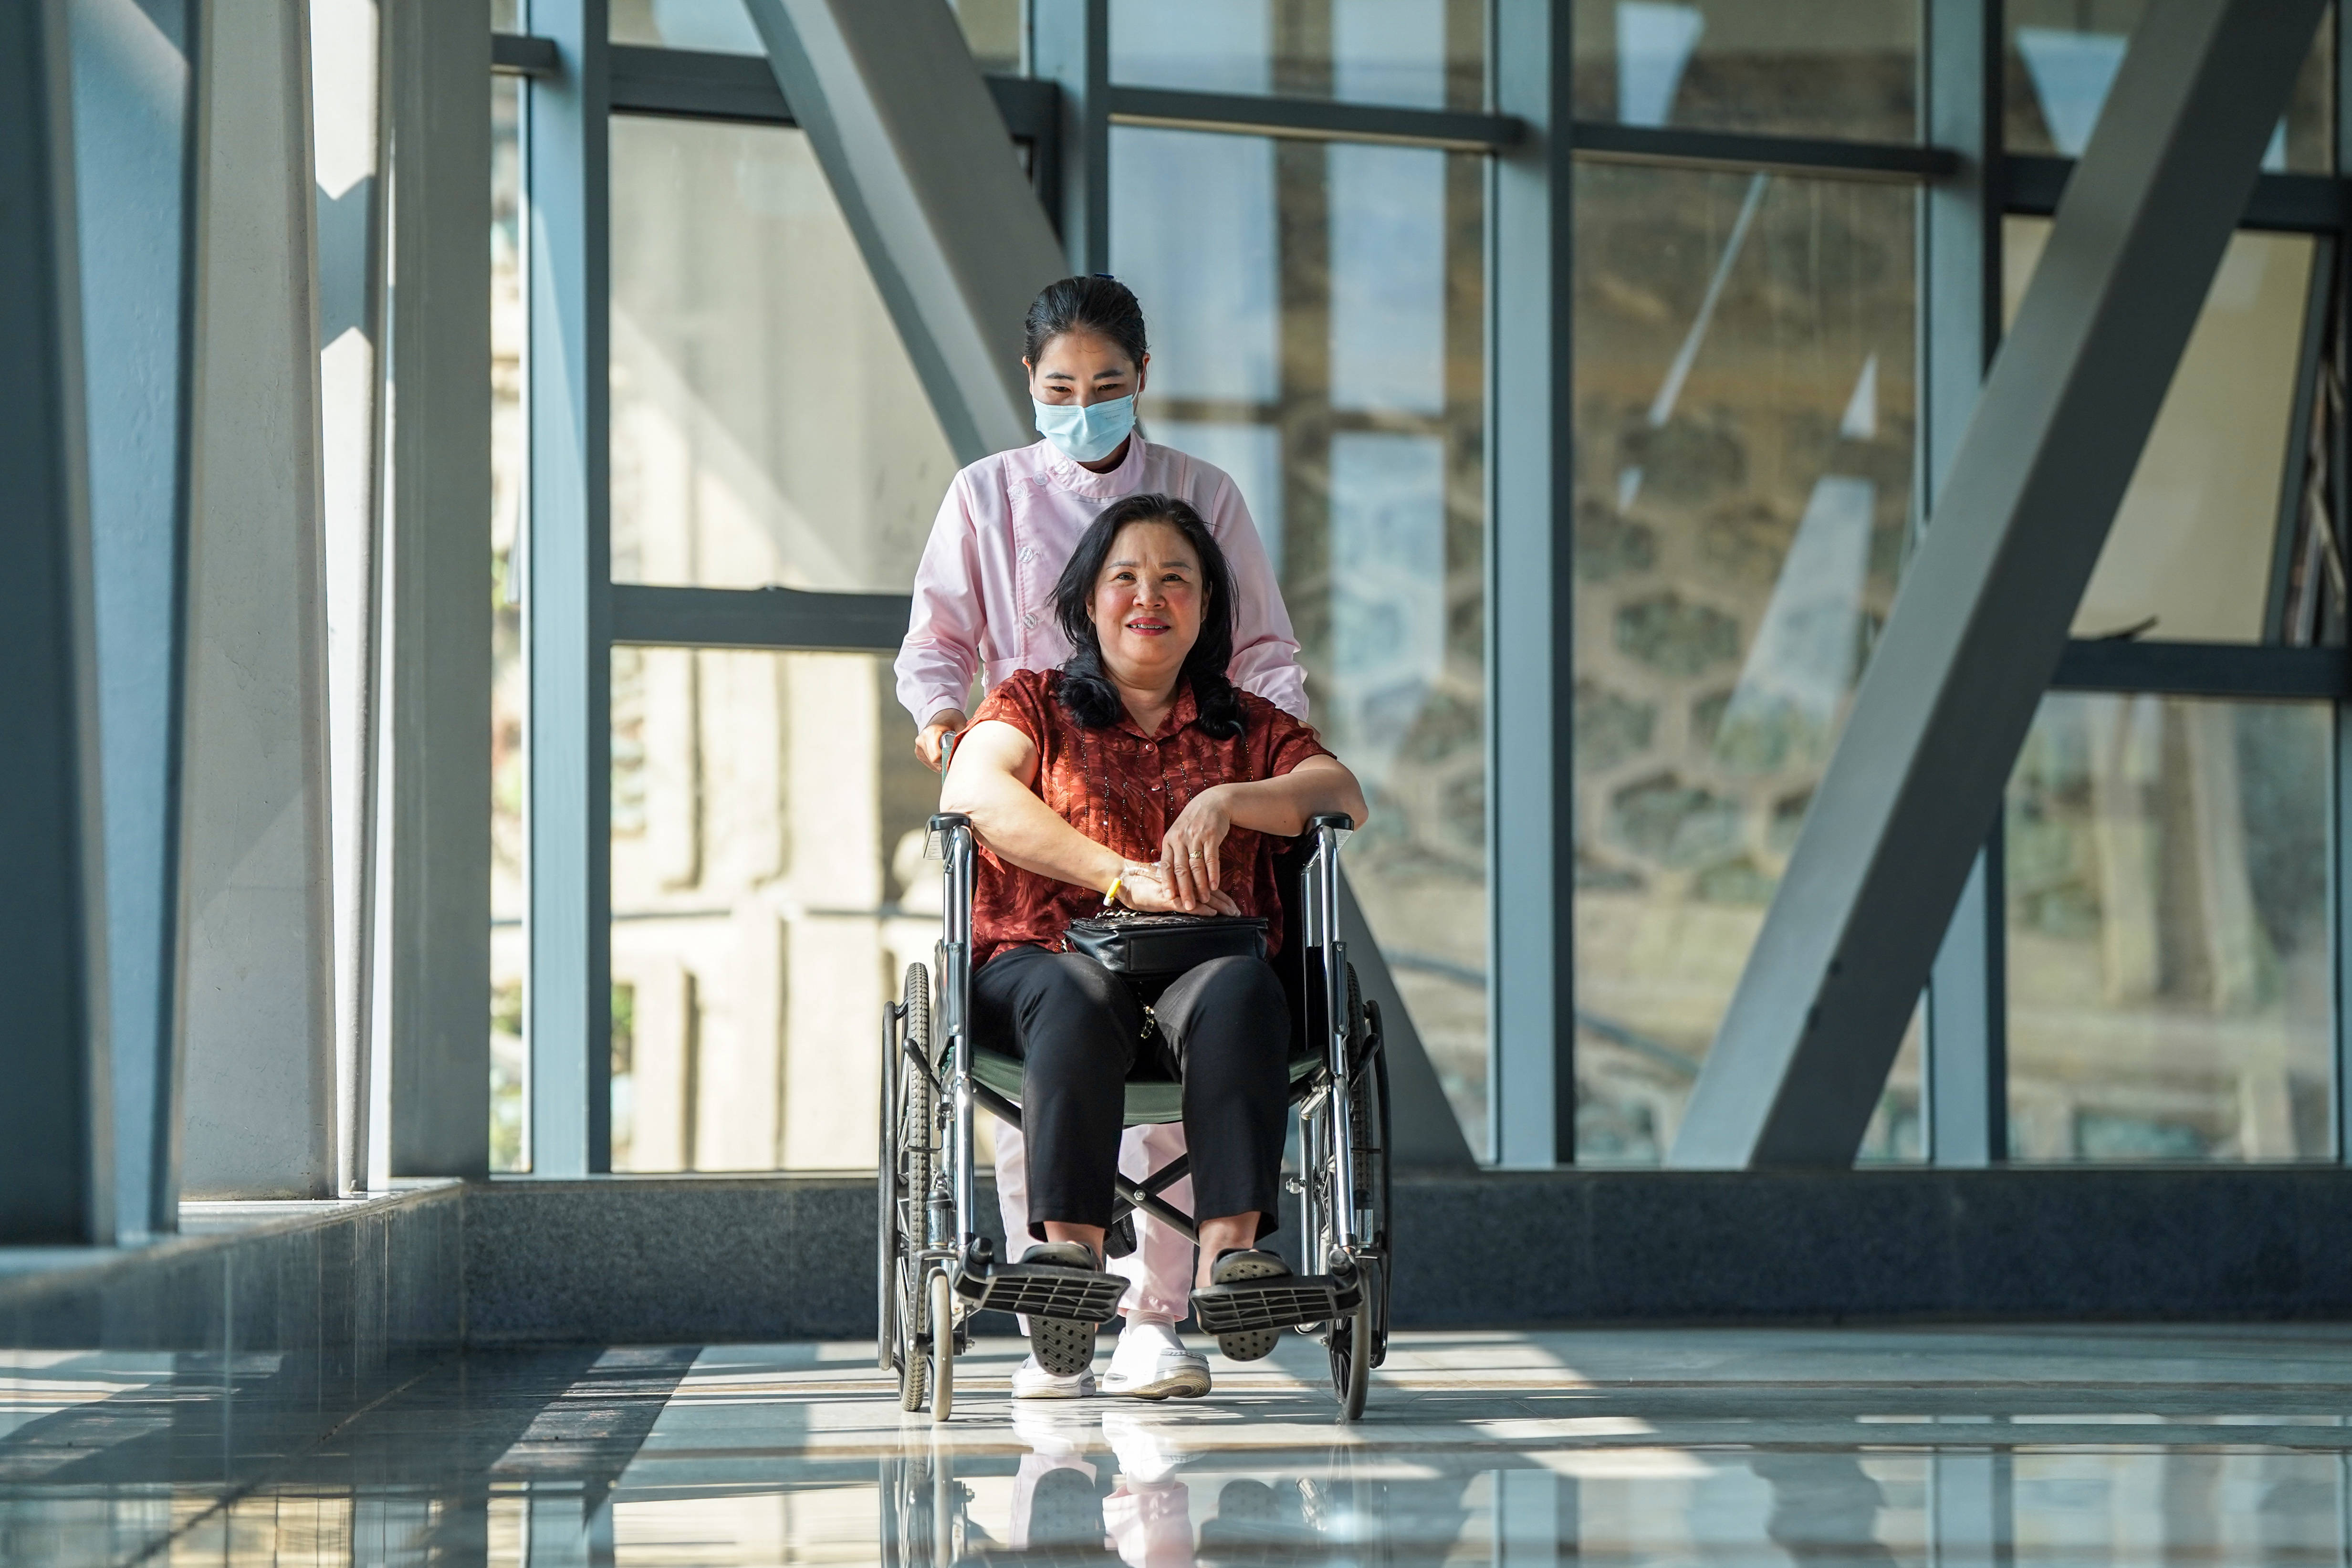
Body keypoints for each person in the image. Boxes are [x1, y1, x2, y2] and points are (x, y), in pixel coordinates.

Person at [895, 276, 1307, 1401]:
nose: (1085, 408)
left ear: (1142, 381)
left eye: (1108, 386)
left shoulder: (1201, 493)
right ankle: (1057, 1293)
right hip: (1043, 791)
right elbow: (936, 639)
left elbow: (1263, 651)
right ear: (1029, 383)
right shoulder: (986, 496)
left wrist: (1254, 772)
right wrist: (944, 718)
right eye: (1062, 388)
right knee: (1060, 1021)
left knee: (1200, 1011)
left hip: (1186, 777)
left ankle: (1159, 1316)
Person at [941, 494, 1369, 1384]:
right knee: (1074, 990)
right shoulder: (1033, 704)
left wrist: (1228, 800)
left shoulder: (1247, 726)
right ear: (1087, 599)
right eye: (1125, 577)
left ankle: (1232, 1261)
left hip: (1197, 983)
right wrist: (1120, 875)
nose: (1149, 596)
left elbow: (1342, 794)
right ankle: (1069, 1258)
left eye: (1176, 578)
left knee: (1244, 987)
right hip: (1043, 968)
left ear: (1206, 606)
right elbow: (972, 791)